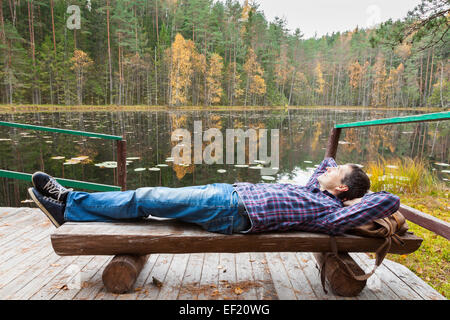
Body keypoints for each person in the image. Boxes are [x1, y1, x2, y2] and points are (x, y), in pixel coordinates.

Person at [28, 157, 400, 236]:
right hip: (227, 195)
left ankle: (71, 202)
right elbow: (327, 163)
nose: (332, 170)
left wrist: (352, 200)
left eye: (339, 174)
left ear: (342, 190)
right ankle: (73, 209)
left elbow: (388, 201)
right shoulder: (314, 190)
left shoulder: (329, 213)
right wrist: (340, 175)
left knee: (145, 198)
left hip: (231, 208)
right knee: (150, 202)